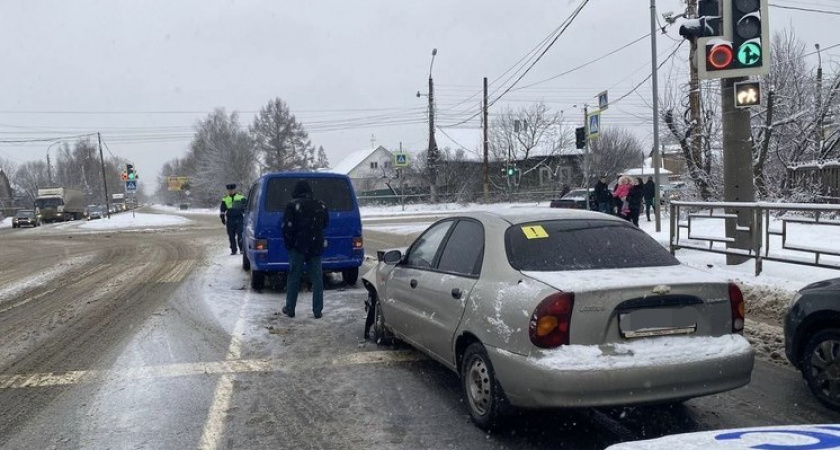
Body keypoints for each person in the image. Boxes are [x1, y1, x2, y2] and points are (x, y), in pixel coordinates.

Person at [281, 180, 329, 319]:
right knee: (317, 279)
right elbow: (325, 223)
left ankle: (290, 308)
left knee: (294, 277)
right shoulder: (320, 204)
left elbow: (287, 228)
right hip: (315, 246)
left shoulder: (292, 205)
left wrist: (290, 244)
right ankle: (317, 310)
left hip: (298, 246)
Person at [220, 183, 246, 255]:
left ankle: (242, 249)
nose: (230, 191)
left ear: (234, 189)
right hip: (230, 219)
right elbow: (222, 208)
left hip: (239, 218)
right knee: (231, 235)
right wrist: (222, 217)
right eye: (229, 190)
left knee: (240, 235)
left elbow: (245, 206)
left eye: (232, 190)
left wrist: (244, 212)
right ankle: (233, 250)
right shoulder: (225, 198)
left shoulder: (240, 197)